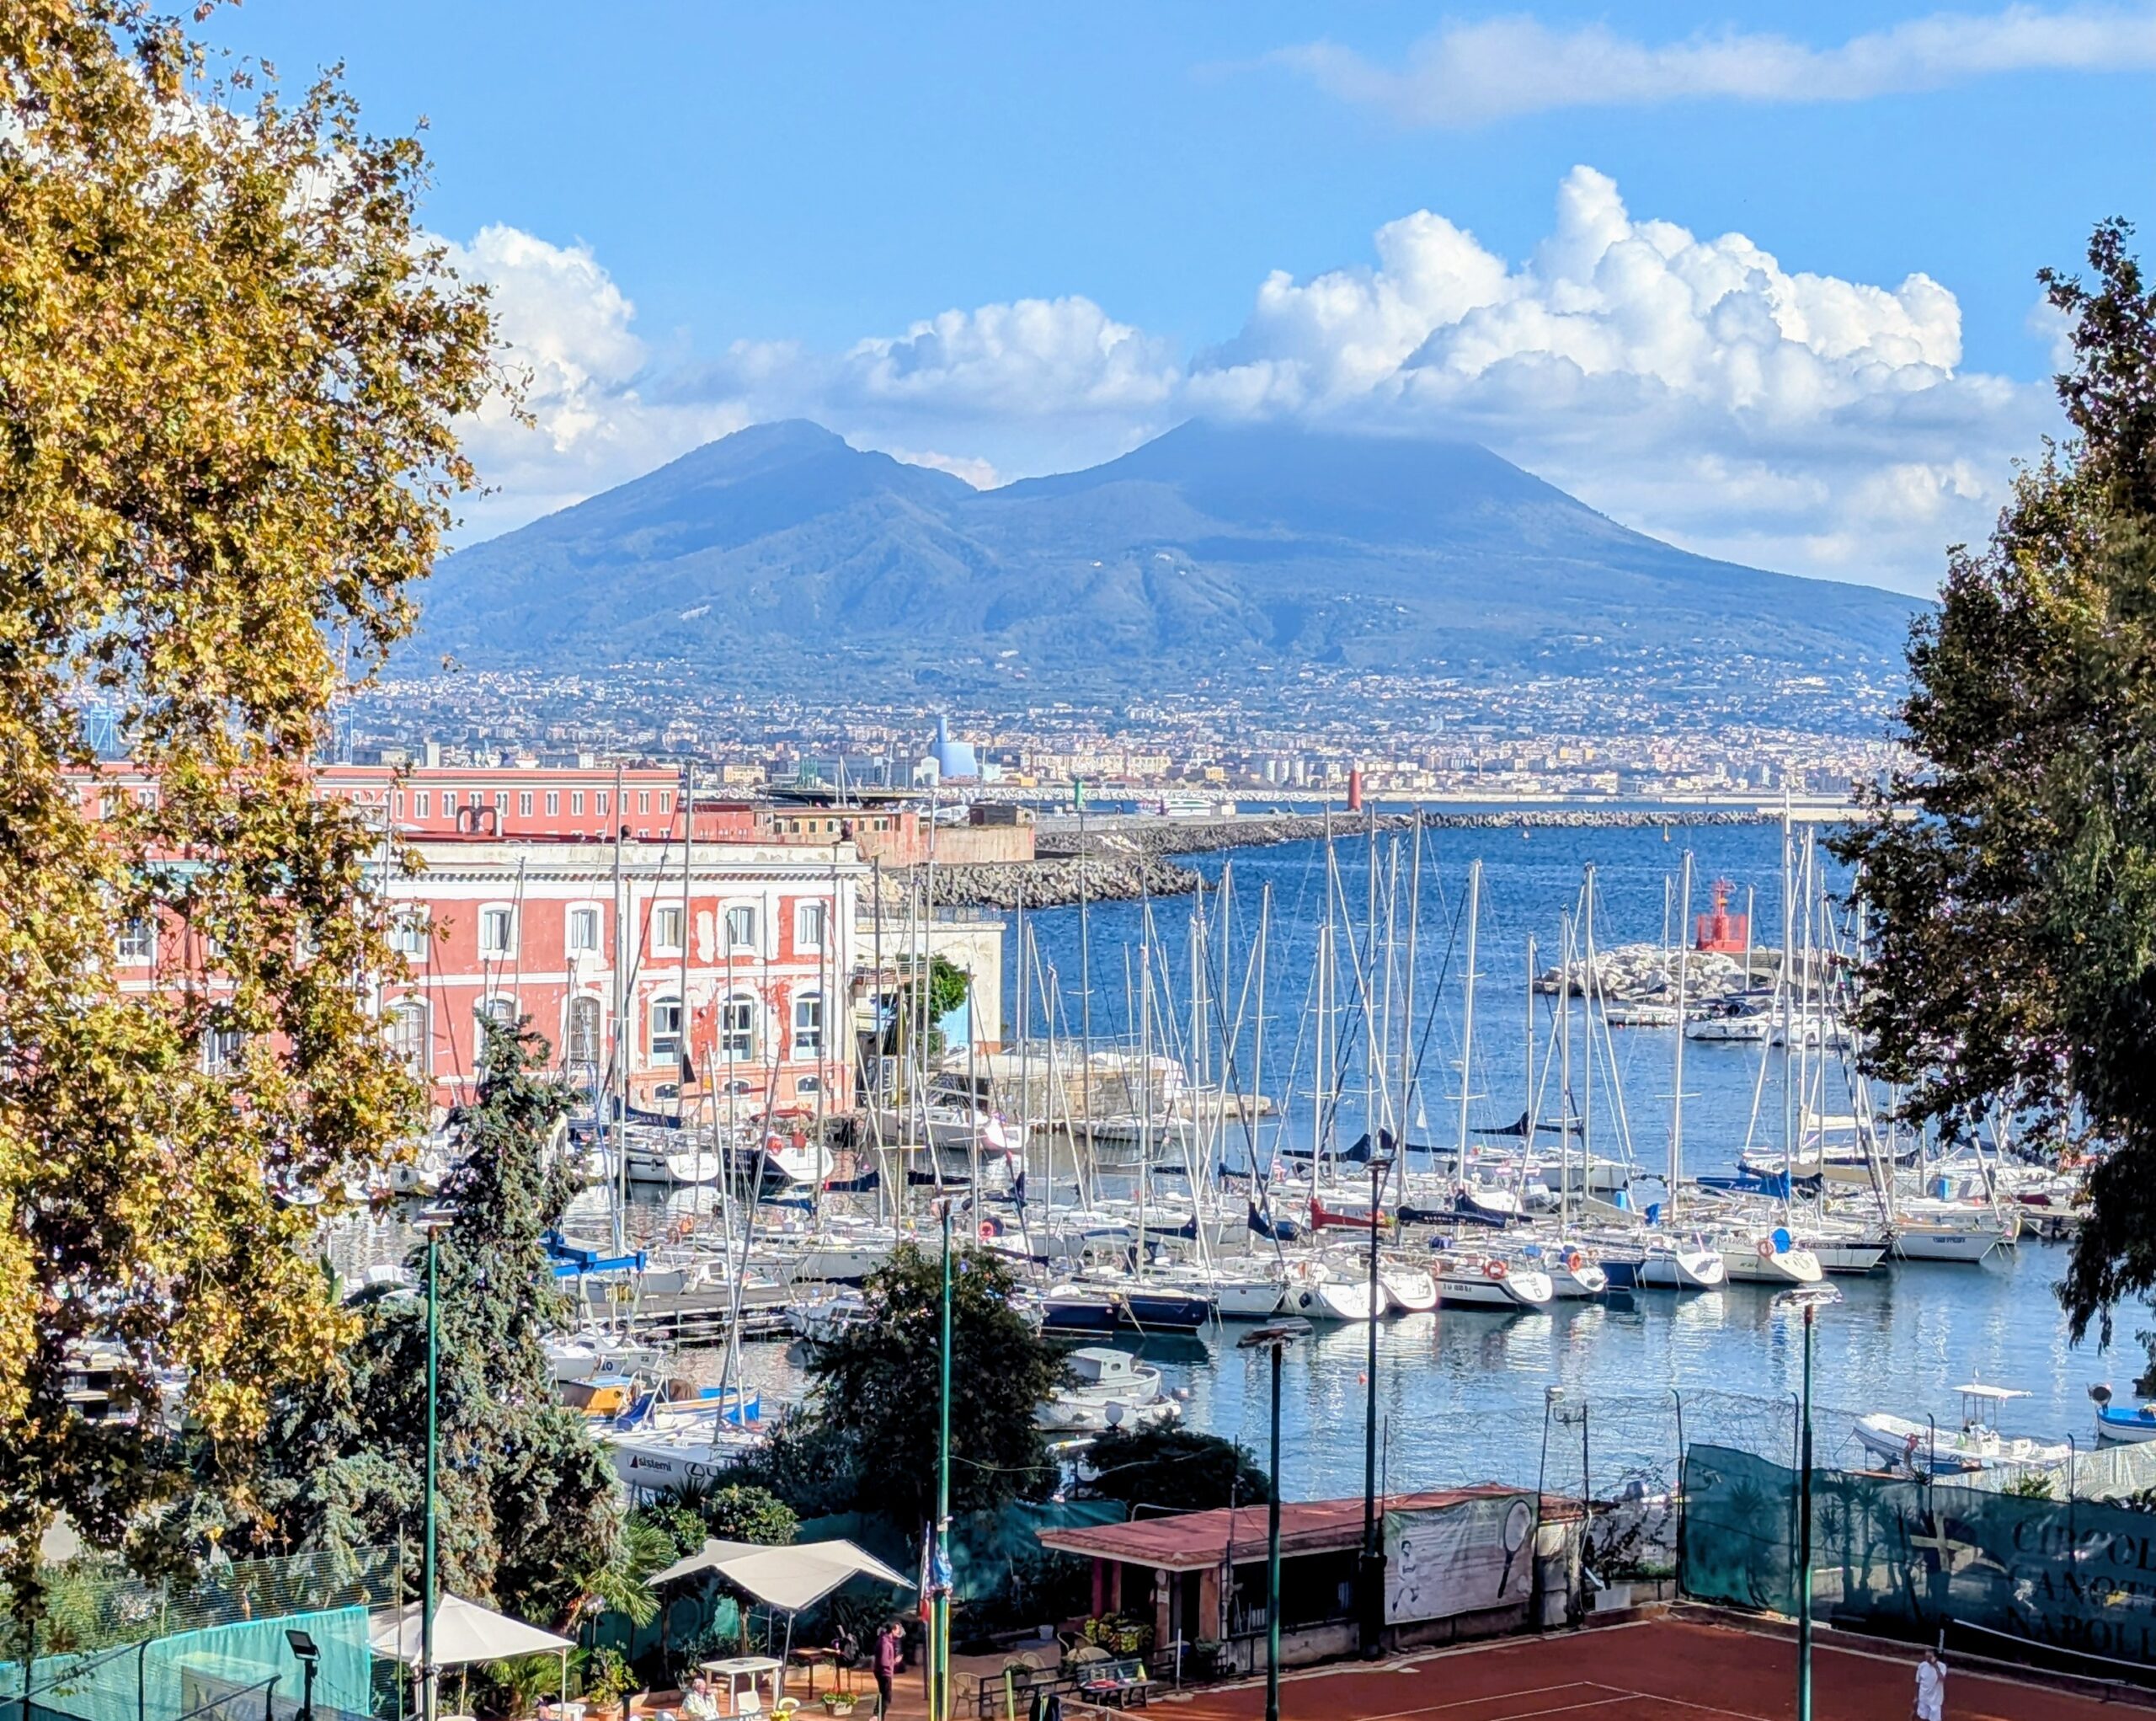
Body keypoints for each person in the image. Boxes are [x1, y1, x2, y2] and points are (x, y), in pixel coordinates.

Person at [872, 1621, 904, 1717]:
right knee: (886, 1698)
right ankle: (877, 1716)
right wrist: (895, 1661)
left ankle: (877, 1715)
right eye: (897, 1629)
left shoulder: (886, 1640)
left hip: (882, 1672)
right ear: (893, 1630)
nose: (899, 1632)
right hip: (884, 1673)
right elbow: (884, 1661)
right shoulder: (885, 1642)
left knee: (883, 1695)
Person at [1913, 1649, 1947, 1721]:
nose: (1927, 1659)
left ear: (1935, 1657)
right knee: (1923, 1718)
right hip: (1923, 1698)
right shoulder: (1922, 1666)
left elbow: (1942, 1679)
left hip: (1935, 1700)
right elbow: (1918, 1682)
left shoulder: (1942, 1666)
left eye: (1929, 1657)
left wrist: (1935, 1666)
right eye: (1926, 1656)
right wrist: (1916, 1696)